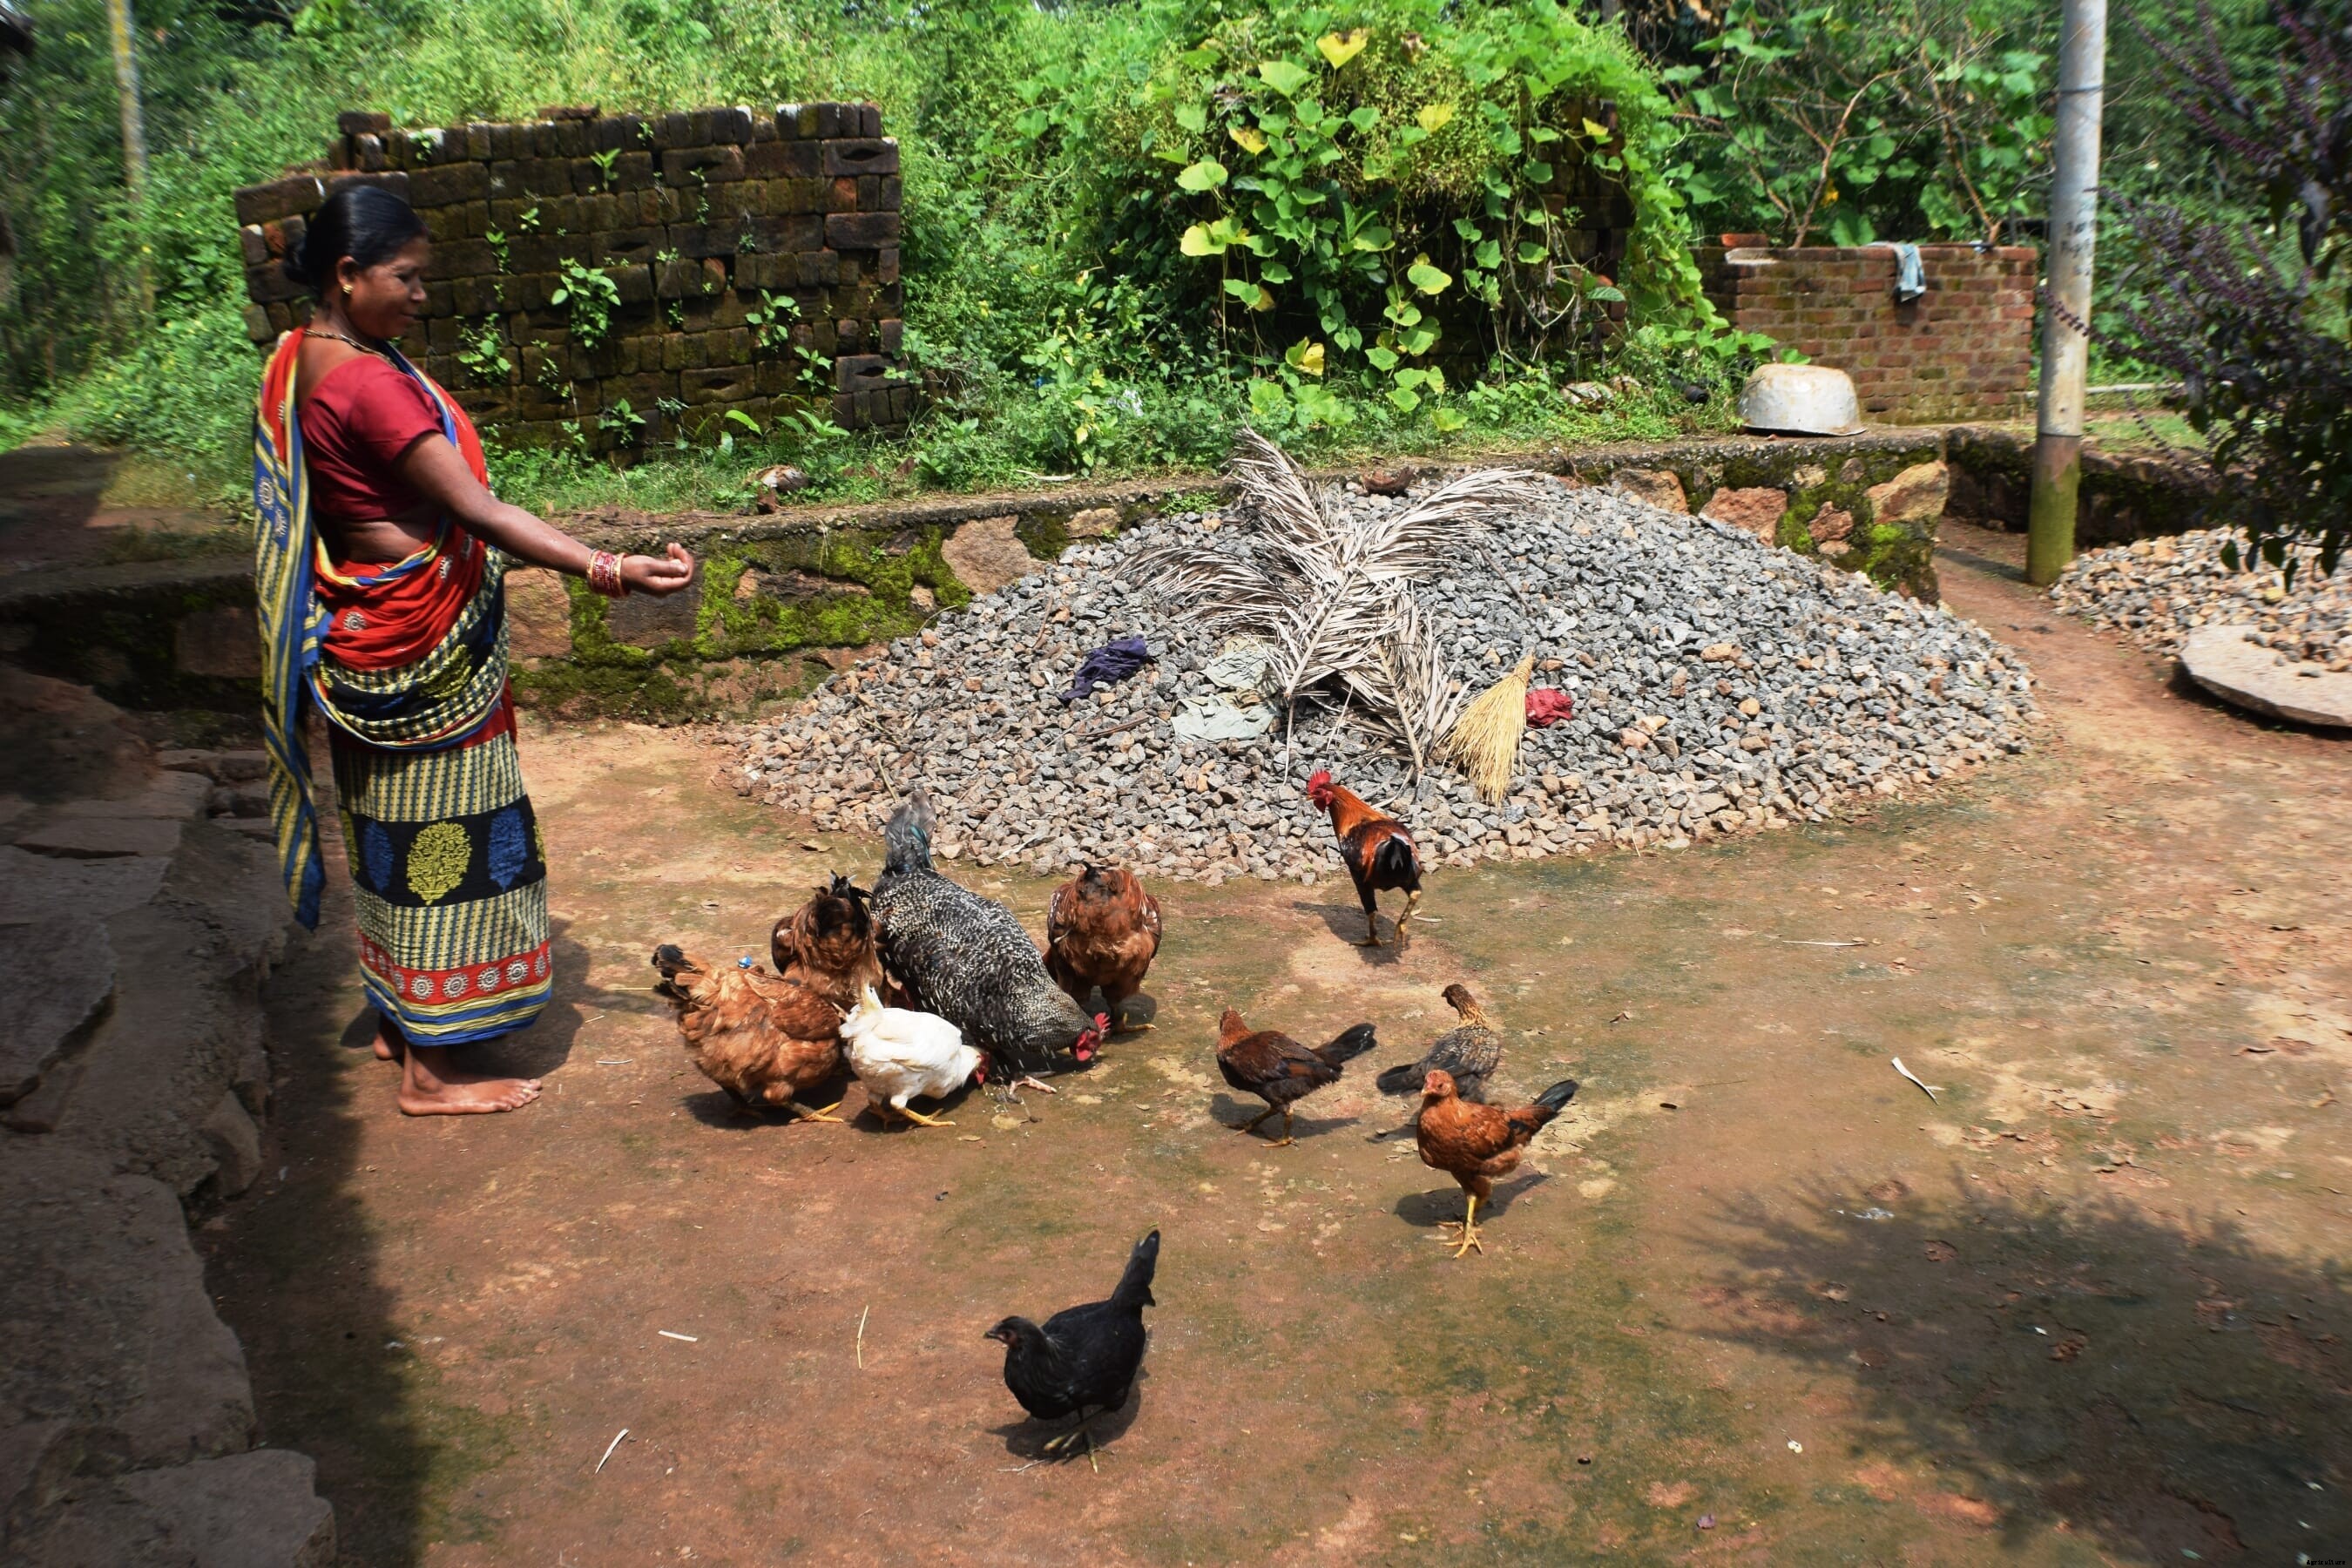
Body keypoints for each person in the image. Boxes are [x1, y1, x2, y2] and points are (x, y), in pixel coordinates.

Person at [252, 185, 694, 1115]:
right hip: (421, 655)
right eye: (406, 278)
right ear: (347, 273)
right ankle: (432, 1071)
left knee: (383, 834)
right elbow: (480, 511)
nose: (422, 296)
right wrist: (608, 568)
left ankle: (398, 1015)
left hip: (364, 637)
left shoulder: (303, 354)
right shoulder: (367, 382)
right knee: (444, 841)